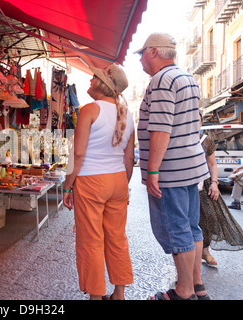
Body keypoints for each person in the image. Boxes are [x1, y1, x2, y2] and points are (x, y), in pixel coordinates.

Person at [135, 33, 210, 300]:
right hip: (190, 166)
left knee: (176, 229)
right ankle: (197, 285)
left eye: (142, 53)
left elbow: (161, 128)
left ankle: (184, 291)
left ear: (153, 52)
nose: (140, 59)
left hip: (171, 170)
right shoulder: (187, 77)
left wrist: (153, 170)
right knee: (191, 227)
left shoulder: (162, 80)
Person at [63, 63, 135, 300]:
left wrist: (67, 186)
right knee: (117, 238)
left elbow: (78, 154)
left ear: (103, 84)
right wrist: (124, 186)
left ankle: (96, 295)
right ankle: (119, 293)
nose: (90, 80)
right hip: (118, 180)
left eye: (94, 77)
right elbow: (129, 157)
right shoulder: (127, 114)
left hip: (91, 181)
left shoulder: (90, 110)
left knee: (91, 240)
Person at [198, 121, 243, 269]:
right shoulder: (178, 137)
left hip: (204, 184)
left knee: (208, 217)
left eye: (198, 119)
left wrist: (214, 183)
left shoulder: (204, 140)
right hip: (183, 184)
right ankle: (188, 254)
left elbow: (212, 164)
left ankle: (205, 251)